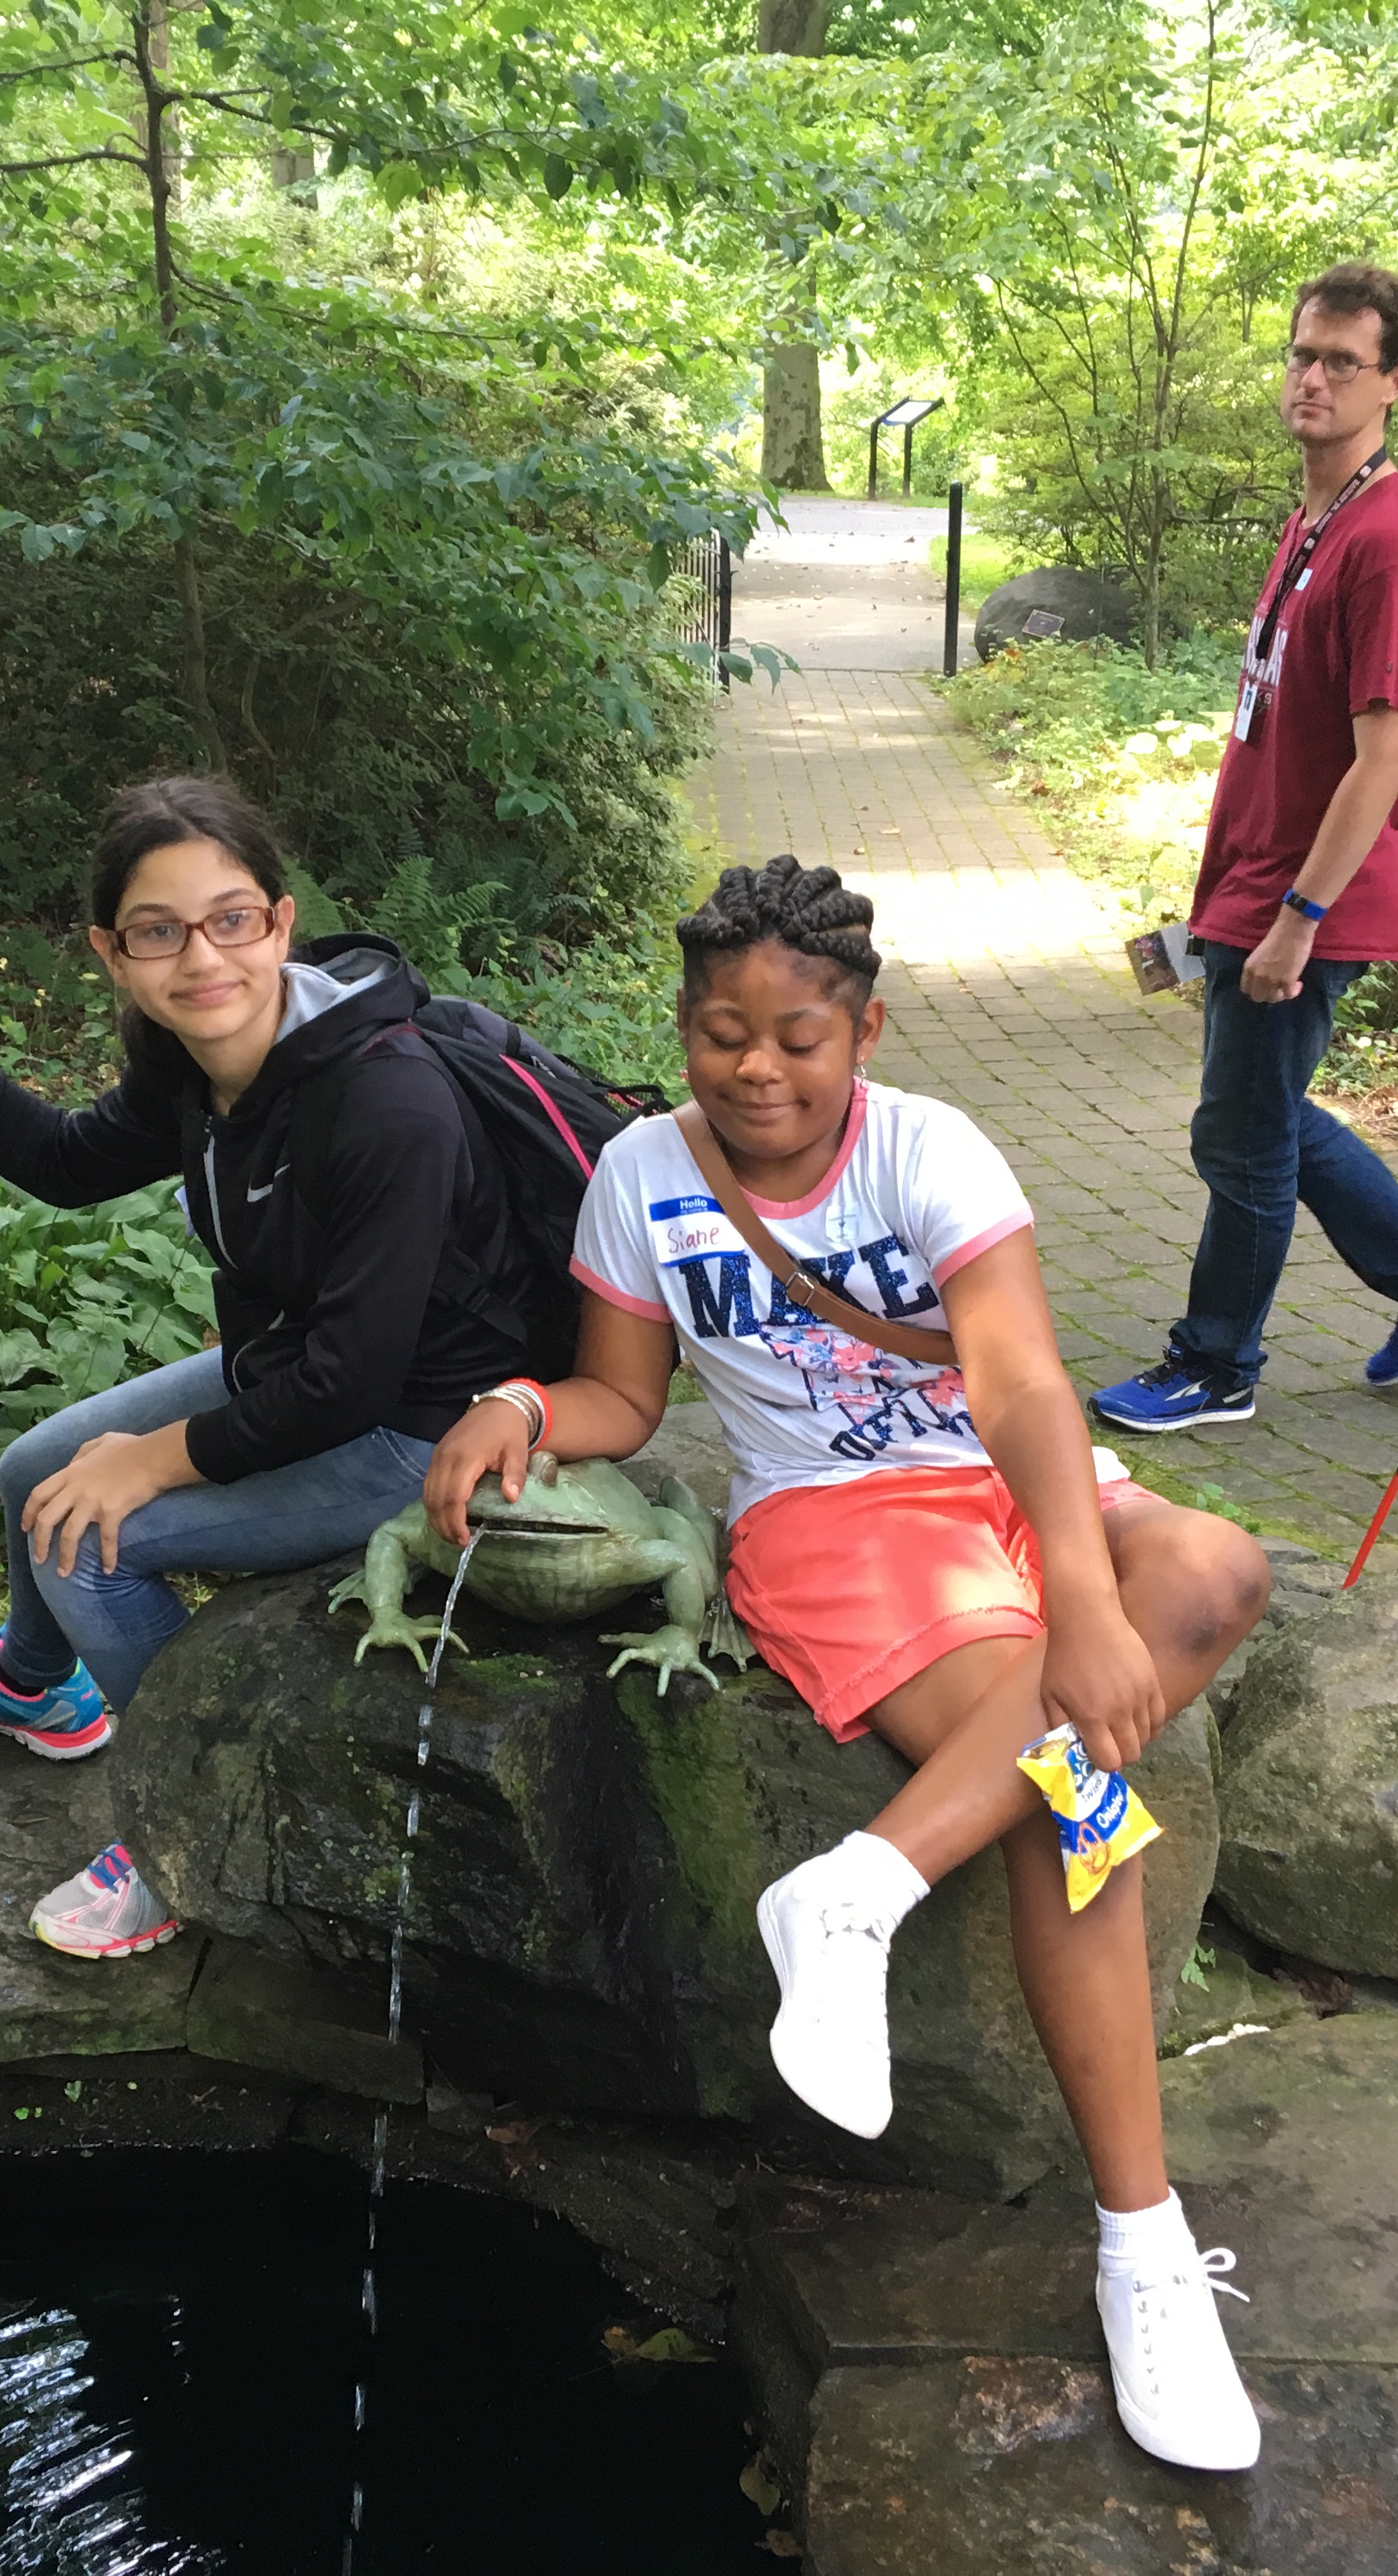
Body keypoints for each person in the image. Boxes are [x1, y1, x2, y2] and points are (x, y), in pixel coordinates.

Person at [422, 852, 1273, 2473]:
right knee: (1071, 1806)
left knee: (1219, 1566)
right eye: (722, 1031)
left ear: (863, 1031)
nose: (757, 1066)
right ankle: (1142, 2246)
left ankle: (859, 1886)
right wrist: (524, 1406)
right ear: (684, 1032)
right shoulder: (640, 1177)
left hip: (1010, 1486)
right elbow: (625, 1399)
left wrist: (1085, 1594)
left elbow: (1021, 1386)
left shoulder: (931, 1149)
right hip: (832, 1524)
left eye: (797, 1034)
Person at [0, 775, 537, 1954]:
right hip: (297, 1374)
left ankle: (195, 1817)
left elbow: (353, 1386)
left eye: (232, 919)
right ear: (113, 950)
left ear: (281, 921)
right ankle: (34, 1687)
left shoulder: (387, 1102)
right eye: (159, 931)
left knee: (87, 1541)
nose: (202, 958)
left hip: (421, 1426)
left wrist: (155, 1461)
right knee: (35, 1470)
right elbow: (60, 1158)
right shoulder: (201, 1067)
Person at [1093, 262, 1398, 1435]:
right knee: (1263, 1109)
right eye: (1303, 354)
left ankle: (1218, 1364)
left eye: (1342, 362)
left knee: (1241, 1133)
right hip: (1251, 877)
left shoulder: (1391, 542)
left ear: (1395, 382)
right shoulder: (1314, 519)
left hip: (1310, 897)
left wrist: (1299, 917)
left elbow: (1389, 757)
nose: (1313, 378)